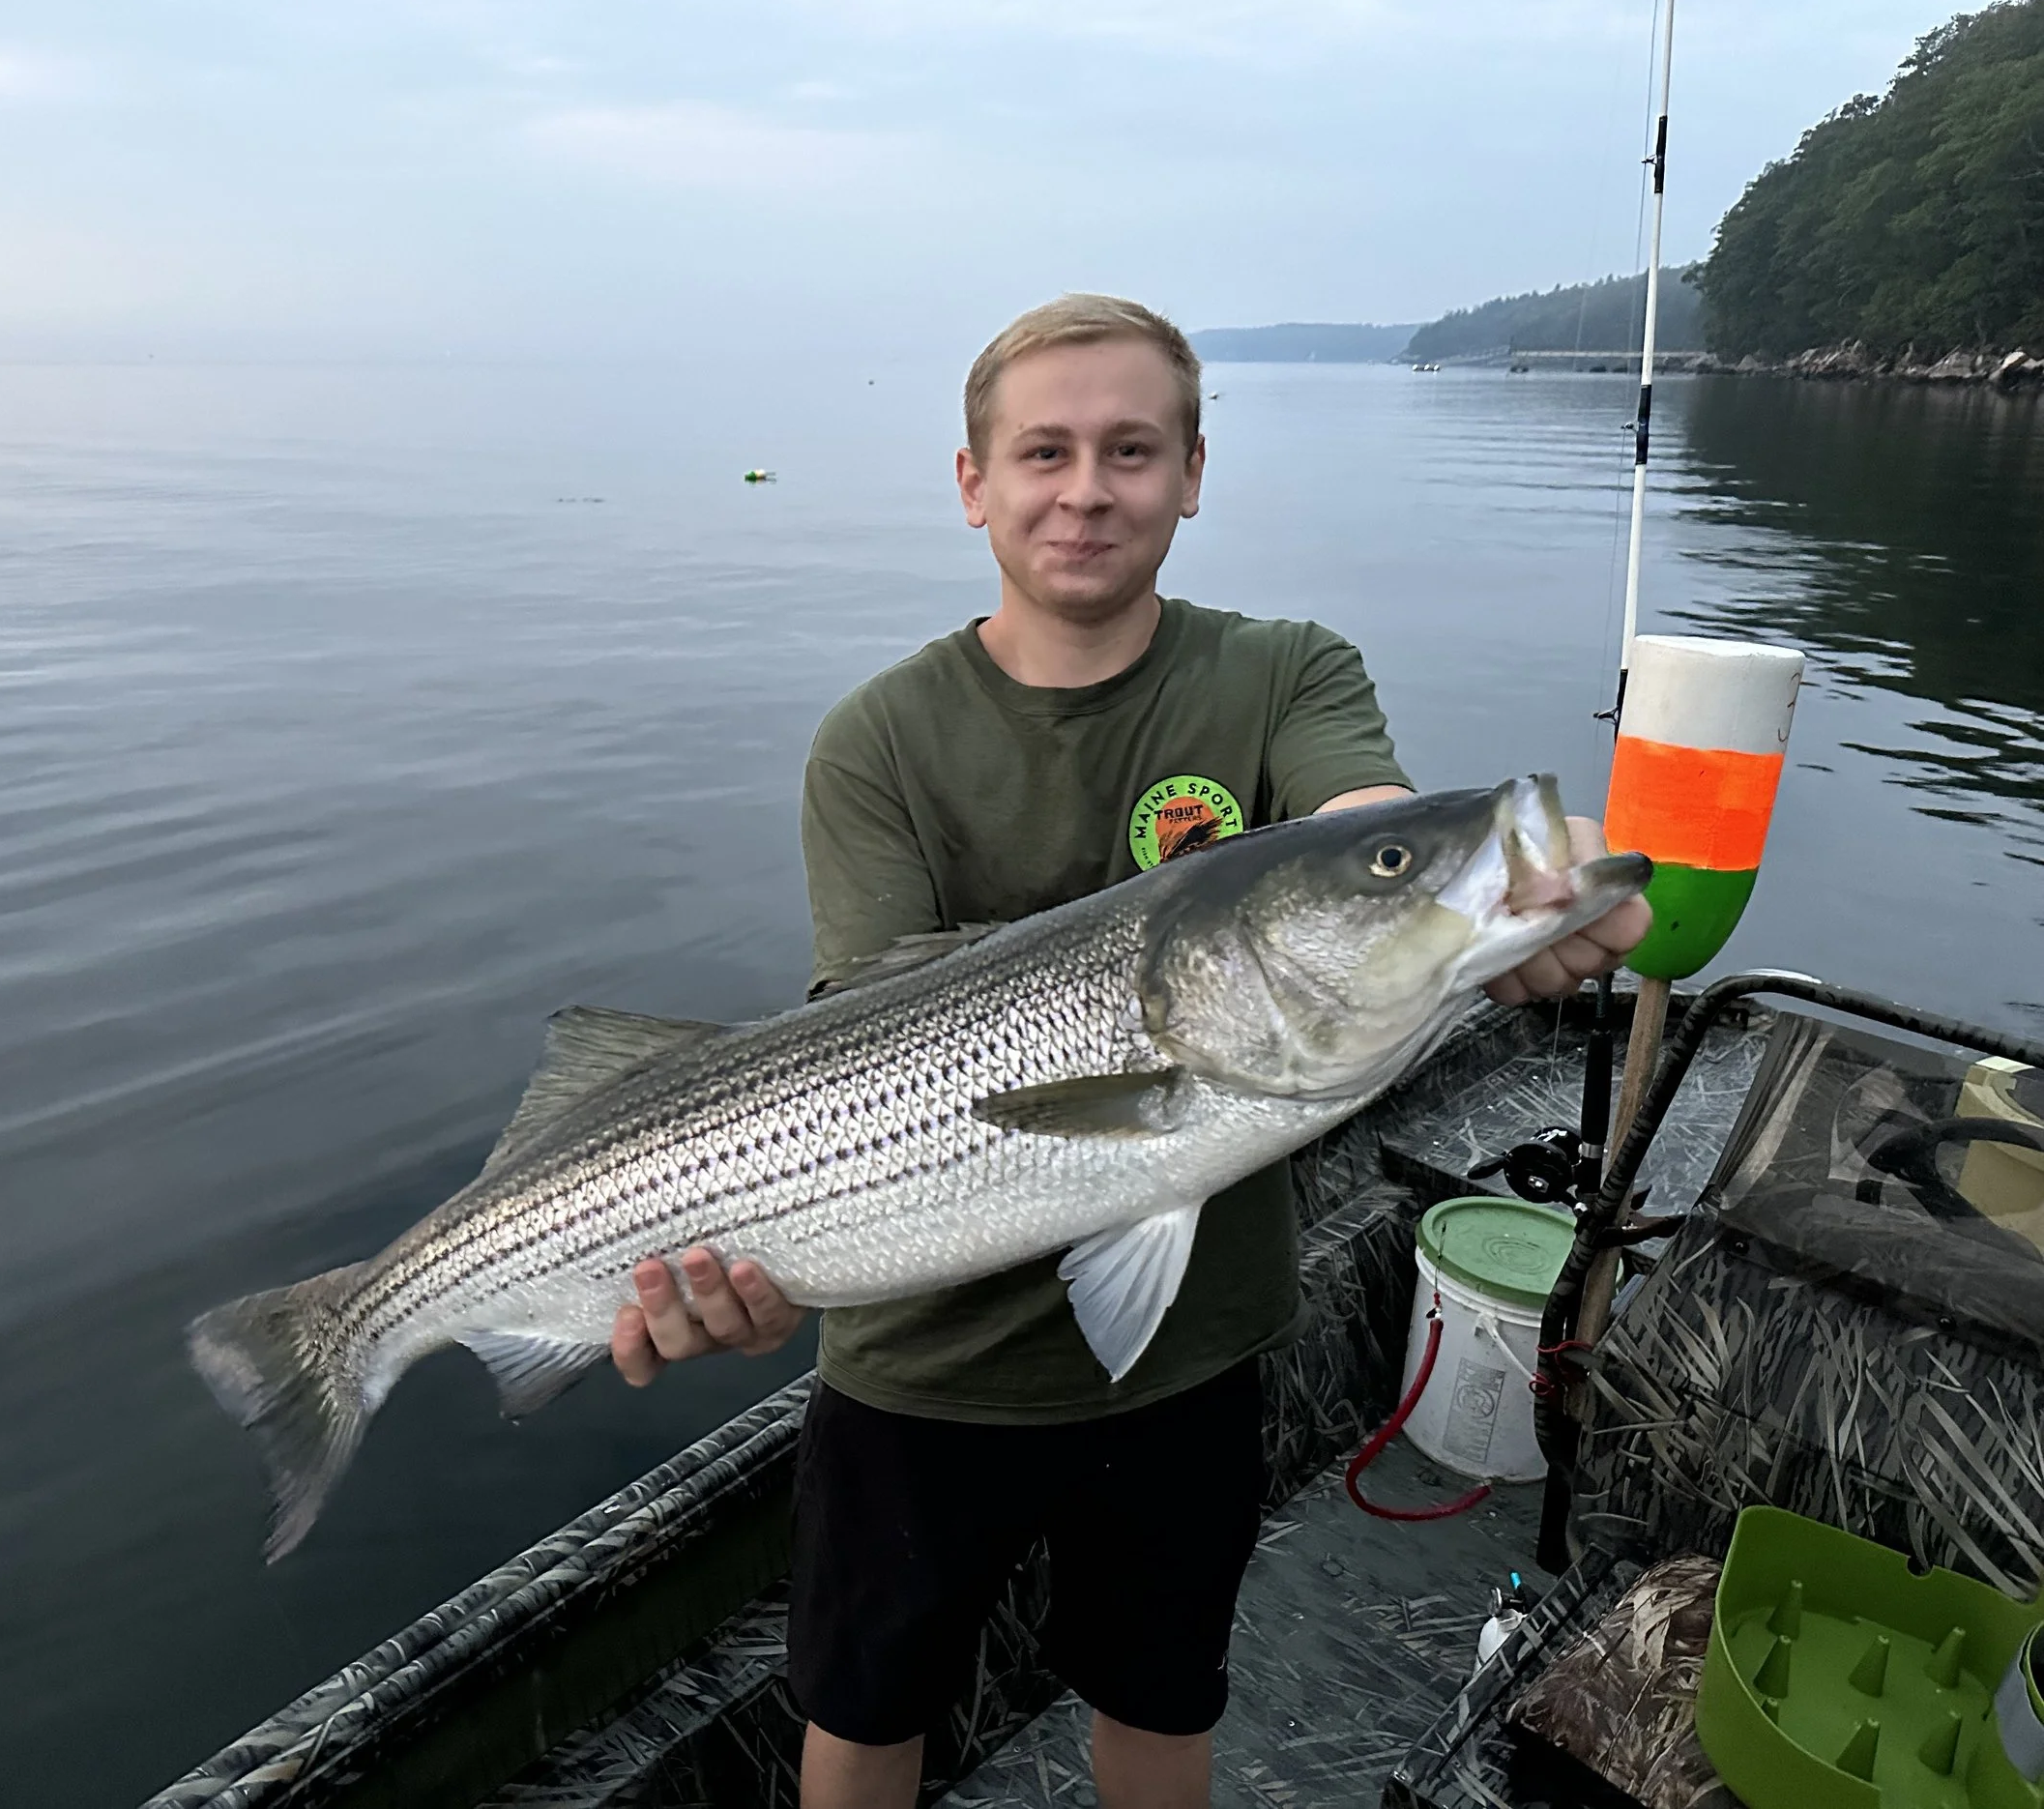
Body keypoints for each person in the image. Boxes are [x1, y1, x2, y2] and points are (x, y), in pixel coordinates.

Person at [608, 294, 1651, 1809]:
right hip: (916, 1367)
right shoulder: (876, 740)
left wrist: (1495, 901)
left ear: (1194, 471)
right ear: (975, 482)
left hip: (1190, 1352)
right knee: (863, 1708)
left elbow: (1361, 825)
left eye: (1130, 449)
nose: (1085, 488)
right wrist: (764, 1269)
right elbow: (856, 1037)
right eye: (1044, 451)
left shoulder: (1286, 671)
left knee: (1163, 1700)